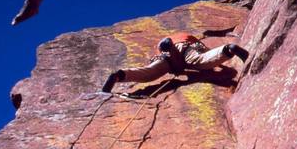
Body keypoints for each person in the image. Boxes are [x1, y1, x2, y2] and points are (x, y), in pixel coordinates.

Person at [101, 31, 249, 93]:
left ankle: (119, 75)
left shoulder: (165, 44)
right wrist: (220, 61)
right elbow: (206, 54)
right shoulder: (188, 37)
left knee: (150, 73)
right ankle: (228, 49)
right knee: (201, 61)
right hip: (184, 47)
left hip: (166, 56)